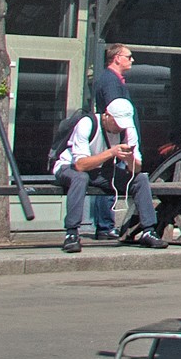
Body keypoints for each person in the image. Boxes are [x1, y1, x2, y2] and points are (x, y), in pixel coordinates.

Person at [49, 95, 166, 253]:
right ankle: (71, 233)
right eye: (117, 122)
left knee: (140, 179)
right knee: (80, 178)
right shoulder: (87, 124)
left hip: (101, 170)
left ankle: (149, 230)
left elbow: (136, 169)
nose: (119, 128)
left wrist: (130, 158)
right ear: (107, 116)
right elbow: (80, 165)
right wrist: (112, 153)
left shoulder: (127, 131)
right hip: (69, 166)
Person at [87, 44, 134, 239]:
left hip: (114, 138)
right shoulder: (110, 81)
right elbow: (116, 110)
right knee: (110, 178)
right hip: (113, 139)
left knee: (111, 177)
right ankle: (105, 225)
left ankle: (105, 225)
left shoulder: (112, 80)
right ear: (116, 58)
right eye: (129, 56)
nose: (132, 60)